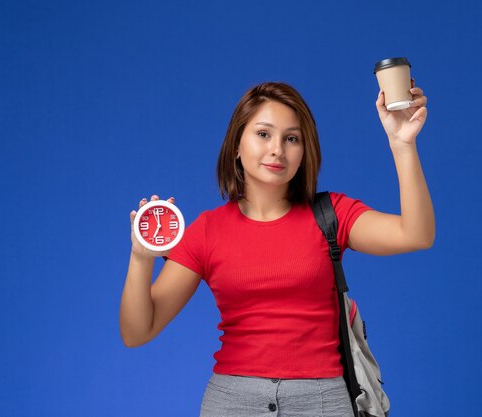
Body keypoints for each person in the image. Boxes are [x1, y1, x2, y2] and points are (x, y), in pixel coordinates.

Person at [120, 81, 434, 417]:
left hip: (323, 403)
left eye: (292, 138)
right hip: (233, 402)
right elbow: (138, 331)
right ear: (237, 145)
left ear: (304, 150)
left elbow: (415, 234)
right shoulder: (208, 231)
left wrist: (402, 144)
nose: (277, 150)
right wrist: (140, 257)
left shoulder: (332, 214)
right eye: (264, 134)